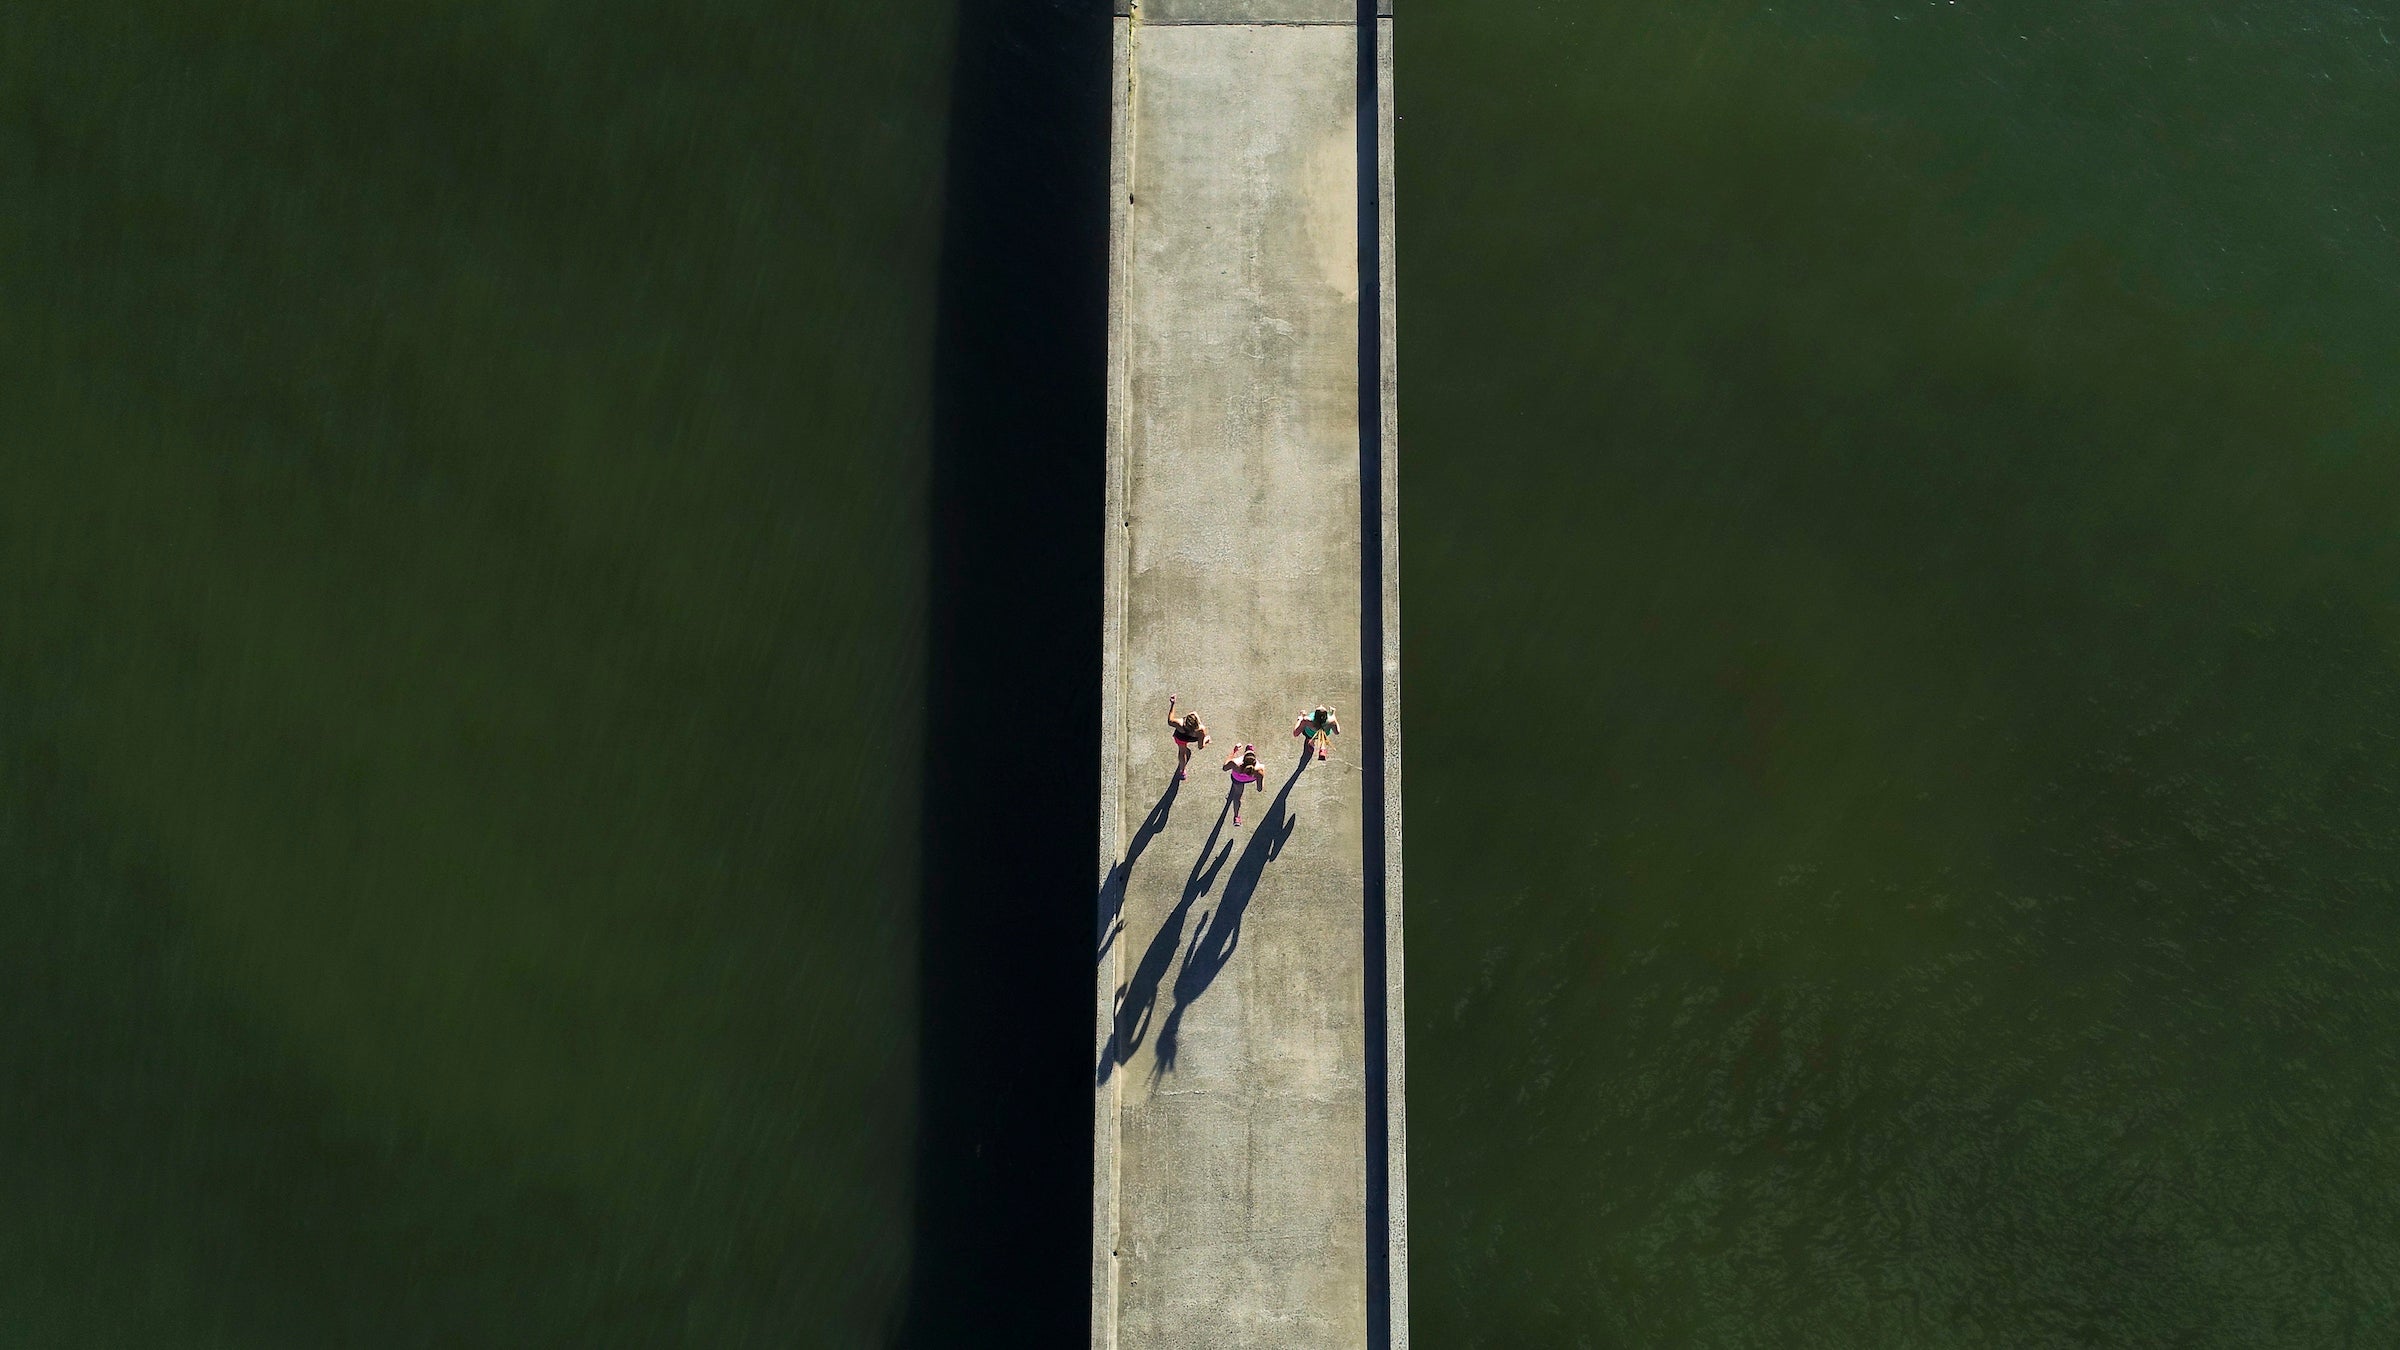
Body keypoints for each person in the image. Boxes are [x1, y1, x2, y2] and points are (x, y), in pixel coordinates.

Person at [1167, 694, 1210, 779]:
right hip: (1193, 737)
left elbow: (1170, 721)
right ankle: (1185, 755)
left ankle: (1182, 771)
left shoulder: (1180, 724)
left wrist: (1173, 704)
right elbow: (1200, 747)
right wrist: (1206, 739)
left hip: (1180, 736)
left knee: (1182, 752)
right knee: (1185, 750)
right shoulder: (1200, 730)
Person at [1223, 744, 1263, 825]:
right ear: (1255, 761)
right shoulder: (1259, 769)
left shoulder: (1235, 764)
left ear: (1243, 759)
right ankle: (1236, 817)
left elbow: (1224, 768)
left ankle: (1236, 817)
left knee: (1237, 795)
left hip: (1237, 779)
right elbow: (1259, 789)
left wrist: (1234, 751)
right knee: (1238, 793)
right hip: (1249, 779)